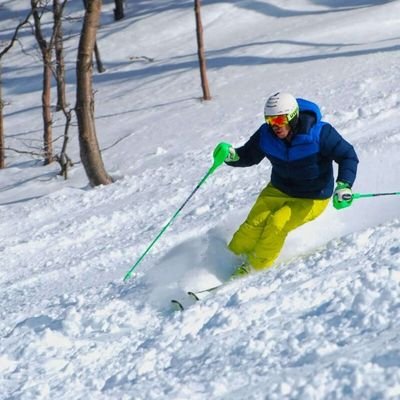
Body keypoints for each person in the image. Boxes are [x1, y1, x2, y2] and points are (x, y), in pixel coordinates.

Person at [213, 92, 359, 278]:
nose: (275, 125)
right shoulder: (266, 135)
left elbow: (347, 155)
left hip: (312, 196)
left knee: (277, 223)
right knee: (254, 224)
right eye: (270, 120)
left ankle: (253, 267)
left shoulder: (320, 133)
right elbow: (248, 155)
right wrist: (230, 156)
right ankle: (228, 261)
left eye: (280, 119)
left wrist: (344, 184)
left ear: (293, 116)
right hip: (278, 189)